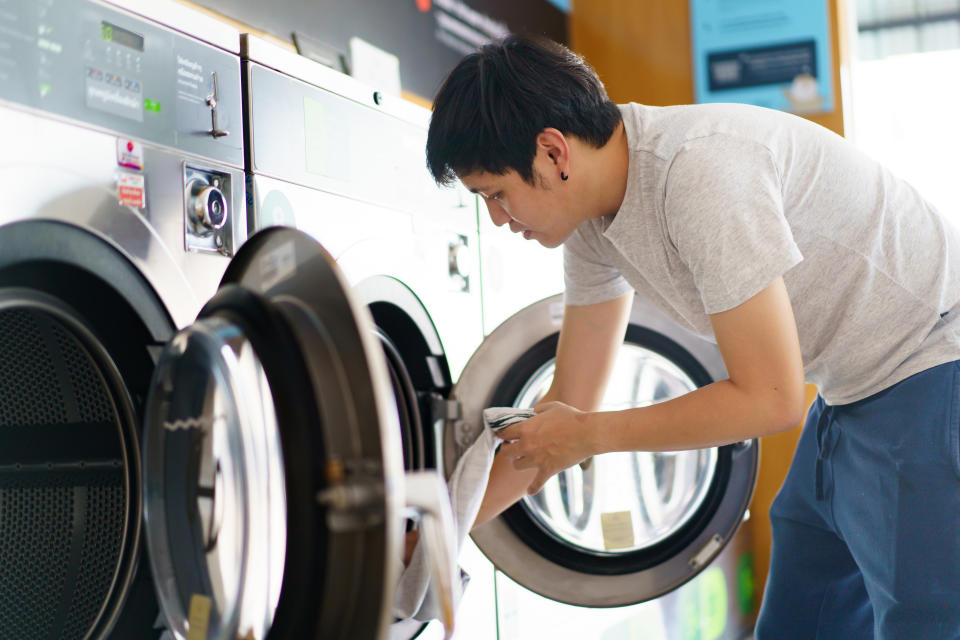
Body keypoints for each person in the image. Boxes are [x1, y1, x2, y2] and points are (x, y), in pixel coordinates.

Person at [425, 34, 960, 639]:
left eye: (496, 193)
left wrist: (591, 436)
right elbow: (567, 411)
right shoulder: (591, 225)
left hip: (933, 369)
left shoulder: (700, 173)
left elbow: (771, 399)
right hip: (851, 390)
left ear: (553, 154)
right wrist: (432, 536)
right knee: (798, 625)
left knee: (928, 624)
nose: (497, 218)